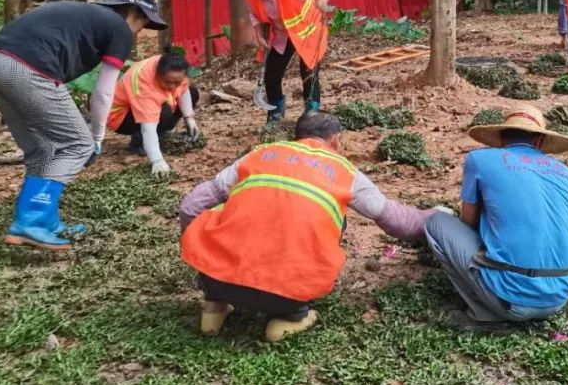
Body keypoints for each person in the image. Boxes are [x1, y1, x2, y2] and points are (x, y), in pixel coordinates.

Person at [180, 111, 438, 342]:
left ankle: (215, 307)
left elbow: (190, 206)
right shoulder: (346, 172)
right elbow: (397, 223)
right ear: (336, 140)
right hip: (282, 293)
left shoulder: (259, 154)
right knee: (330, 217)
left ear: (296, 136)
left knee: (227, 209)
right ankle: (290, 317)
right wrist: (434, 217)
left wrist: (205, 262)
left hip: (217, 280)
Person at [0, 0, 166, 249]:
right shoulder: (118, 27)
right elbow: (103, 92)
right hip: (28, 69)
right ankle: (31, 221)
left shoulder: (82, 15)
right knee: (78, 144)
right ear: (135, 12)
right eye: (143, 24)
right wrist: (96, 137)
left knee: (42, 150)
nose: (138, 32)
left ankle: (45, 222)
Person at [424, 106, 568, 333]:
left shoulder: (479, 159)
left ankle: (483, 315)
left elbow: (468, 221)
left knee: (436, 222)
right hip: (560, 299)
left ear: (501, 139)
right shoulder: (566, 172)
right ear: (540, 141)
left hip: (509, 300)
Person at [240, 0, 333, 129]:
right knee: (271, 75)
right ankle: (275, 115)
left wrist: (322, 0)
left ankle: (311, 118)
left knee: (309, 74)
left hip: (308, 30)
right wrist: (258, 34)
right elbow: (255, 14)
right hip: (282, 33)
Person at [107, 49, 201, 178]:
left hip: (142, 109)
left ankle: (160, 134)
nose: (173, 86)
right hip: (120, 117)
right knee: (164, 111)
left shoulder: (173, 67)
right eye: (168, 82)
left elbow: (184, 90)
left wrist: (189, 118)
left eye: (177, 82)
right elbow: (148, 127)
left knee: (193, 93)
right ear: (158, 74)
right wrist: (157, 161)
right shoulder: (145, 85)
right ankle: (138, 140)